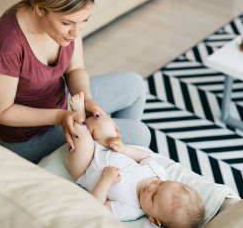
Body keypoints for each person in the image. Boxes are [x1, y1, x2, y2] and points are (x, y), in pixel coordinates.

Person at [0, 0, 151, 163]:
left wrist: (87, 99)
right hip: (30, 136)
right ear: (40, 9)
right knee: (140, 134)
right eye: (67, 23)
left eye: (84, 20)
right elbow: (0, 111)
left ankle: (115, 159)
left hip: (65, 103)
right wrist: (60, 116)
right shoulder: (7, 43)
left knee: (135, 84)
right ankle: (108, 161)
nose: (76, 33)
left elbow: (75, 69)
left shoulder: (69, 20)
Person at [66, 92, 205, 227]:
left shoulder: (131, 209)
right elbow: (144, 156)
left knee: (83, 142)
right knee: (105, 123)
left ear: (154, 219)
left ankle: (79, 116)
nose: (151, 187)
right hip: (105, 149)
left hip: (85, 167)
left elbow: (97, 207)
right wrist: (124, 149)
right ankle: (88, 116)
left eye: (153, 197)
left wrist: (106, 180)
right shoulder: (157, 173)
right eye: (160, 185)